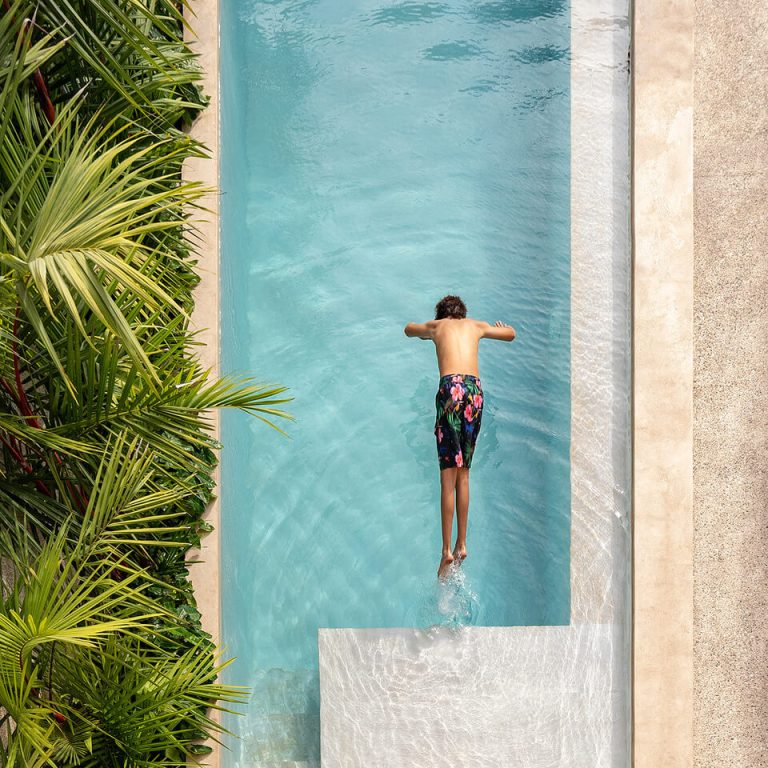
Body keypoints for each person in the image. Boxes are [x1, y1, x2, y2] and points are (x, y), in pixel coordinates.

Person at [404, 295, 516, 579]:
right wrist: (500, 327)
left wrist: (424, 333)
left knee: (447, 478)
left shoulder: (436, 326)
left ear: (442, 316)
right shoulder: (476, 325)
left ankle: (445, 551)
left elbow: (408, 328)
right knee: (464, 473)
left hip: (451, 390)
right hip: (475, 392)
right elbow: (510, 334)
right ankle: (462, 543)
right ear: (463, 315)